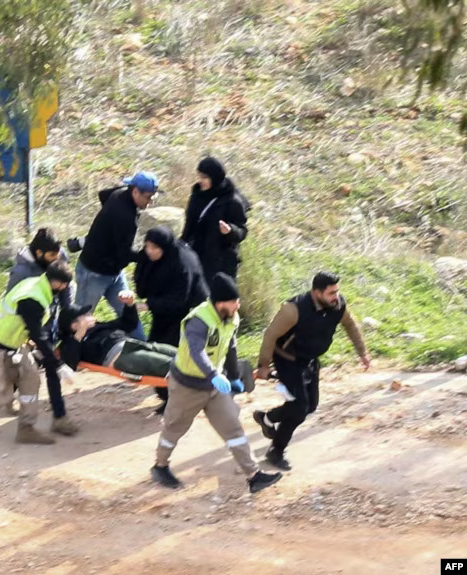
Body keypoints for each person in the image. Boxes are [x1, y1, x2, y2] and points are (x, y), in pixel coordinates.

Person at [151, 273, 283, 494]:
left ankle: (254, 476)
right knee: (174, 428)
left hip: (213, 388)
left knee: (233, 427)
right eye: (234, 302)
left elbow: (230, 346)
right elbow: (196, 351)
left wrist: (232, 376)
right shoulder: (199, 321)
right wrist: (214, 374)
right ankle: (160, 466)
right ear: (221, 302)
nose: (238, 305)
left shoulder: (232, 317)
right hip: (187, 386)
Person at [253, 272, 371, 470]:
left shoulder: (338, 306)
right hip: (287, 360)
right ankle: (276, 451)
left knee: (311, 406)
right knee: (299, 408)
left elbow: (350, 325)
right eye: (331, 292)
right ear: (317, 293)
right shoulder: (294, 309)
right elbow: (270, 334)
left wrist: (362, 352)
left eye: (337, 291)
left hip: (309, 359)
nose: (336, 296)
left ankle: (267, 418)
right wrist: (263, 365)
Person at [0, 261, 76, 445]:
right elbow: (38, 334)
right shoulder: (32, 299)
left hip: (14, 344)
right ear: (56, 282)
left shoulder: (38, 284)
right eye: (64, 285)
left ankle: (26, 429)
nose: (65, 288)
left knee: (31, 379)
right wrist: (58, 364)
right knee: (0, 396)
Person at [69, 171, 160, 341]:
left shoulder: (119, 194)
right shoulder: (126, 218)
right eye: (148, 197)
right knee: (80, 320)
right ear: (135, 192)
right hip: (93, 273)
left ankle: (144, 347)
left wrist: (104, 228)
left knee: (129, 314)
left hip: (114, 272)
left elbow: (102, 194)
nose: (151, 201)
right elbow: (125, 255)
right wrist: (148, 255)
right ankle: (64, 354)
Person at [7, 227, 79, 435]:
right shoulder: (21, 273)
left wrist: (69, 309)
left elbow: (67, 284)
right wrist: (32, 333)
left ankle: (59, 417)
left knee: (49, 367)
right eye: (51, 256)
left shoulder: (58, 255)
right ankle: (5, 396)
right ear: (39, 254)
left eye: (58, 255)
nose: (56, 259)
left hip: (51, 321)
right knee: (30, 367)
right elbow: (13, 301)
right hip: (31, 326)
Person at [134, 226, 209, 413]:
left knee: (173, 355)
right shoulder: (152, 255)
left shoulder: (182, 264)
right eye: (147, 246)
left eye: (154, 248)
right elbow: (141, 277)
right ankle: (167, 395)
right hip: (165, 311)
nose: (149, 251)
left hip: (189, 312)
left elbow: (179, 299)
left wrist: (149, 304)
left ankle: (174, 400)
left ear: (165, 247)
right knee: (156, 349)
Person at [56, 298, 177, 379]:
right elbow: (70, 364)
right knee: (169, 364)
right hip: (122, 357)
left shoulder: (100, 326)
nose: (90, 315)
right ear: (74, 325)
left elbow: (128, 323)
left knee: (178, 353)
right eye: (85, 315)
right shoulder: (71, 343)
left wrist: (130, 305)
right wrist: (79, 334)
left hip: (134, 344)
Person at [180, 157, 249, 281]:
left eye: (204, 177)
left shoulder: (232, 201)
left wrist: (230, 230)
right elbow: (190, 225)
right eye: (199, 176)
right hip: (196, 257)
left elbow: (242, 231)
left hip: (220, 264)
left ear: (215, 177)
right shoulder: (197, 195)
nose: (201, 181)